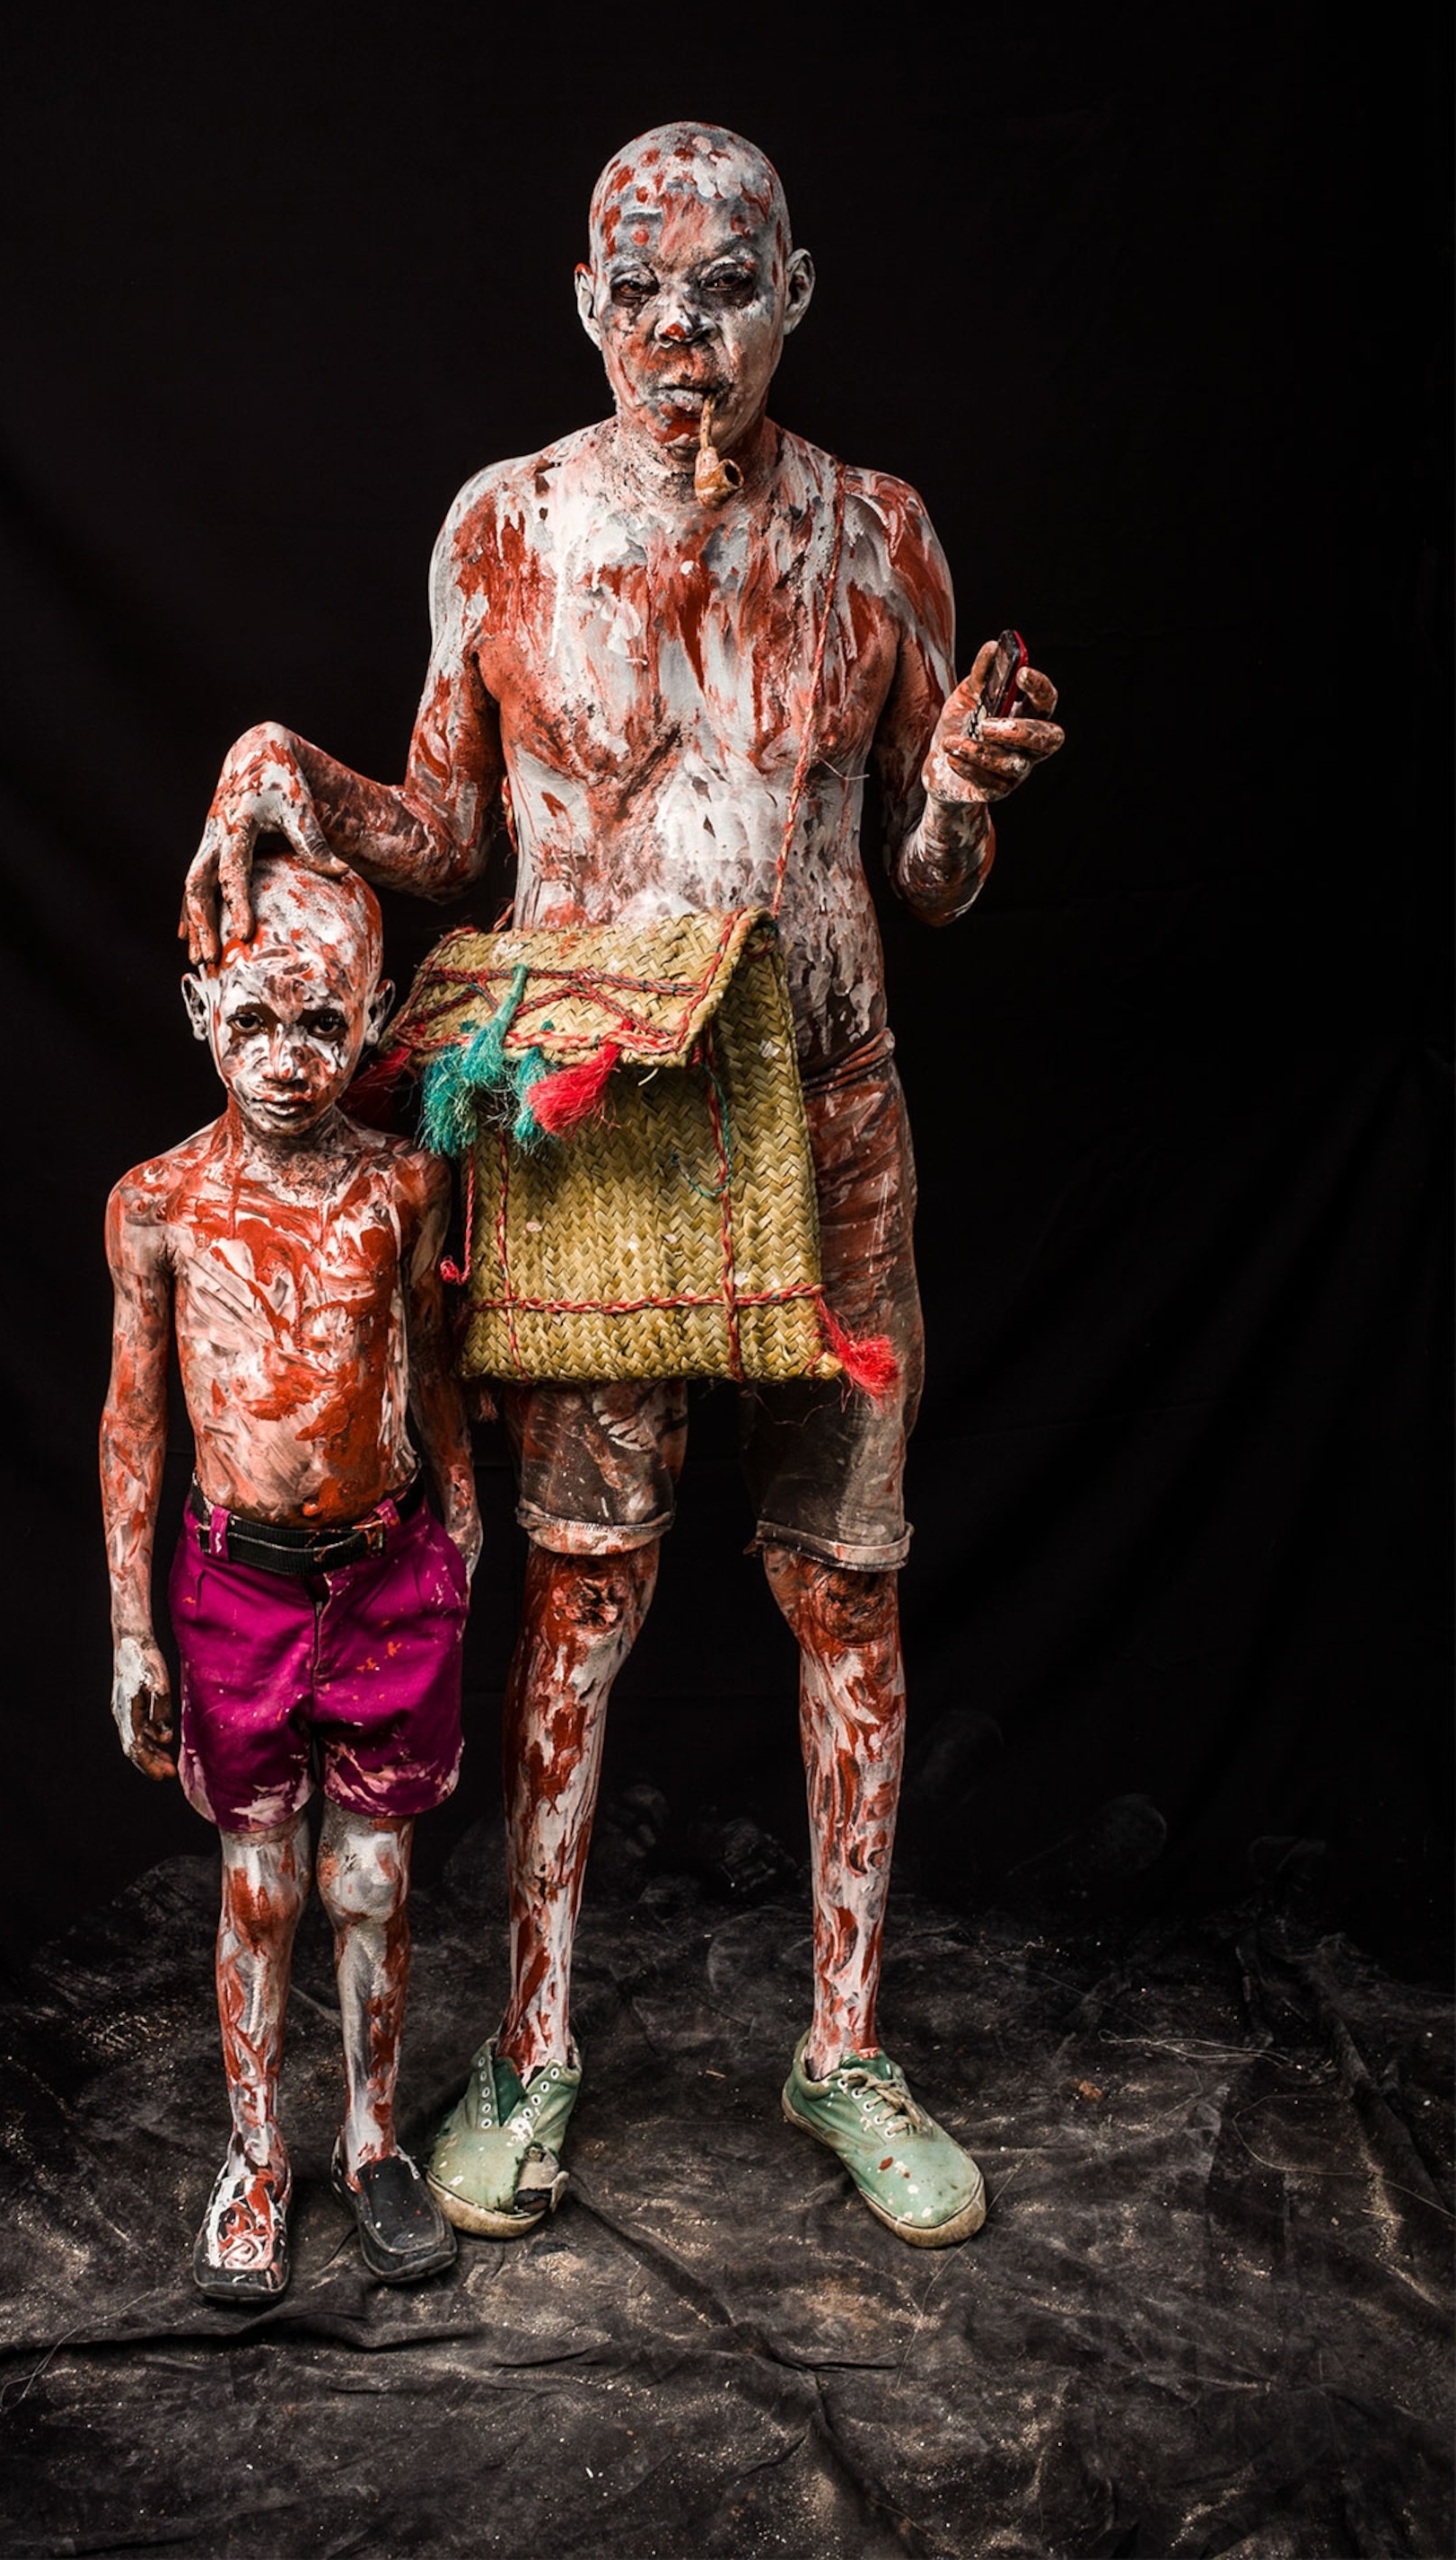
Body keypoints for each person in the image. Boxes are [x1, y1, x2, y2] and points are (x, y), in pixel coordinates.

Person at [180, 124, 1064, 2250]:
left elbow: (929, 885)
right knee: (579, 1586)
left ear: (796, 295)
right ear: (586, 305)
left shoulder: (876, 534)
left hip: (832, 1105)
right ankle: (540, 2041)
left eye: (730, 288)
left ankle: (846, 2041)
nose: (688, 331)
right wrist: (288, 765)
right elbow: (450, 836)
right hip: (596, 1114)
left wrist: (950, 796)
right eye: (644, 292)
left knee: (848, 1579)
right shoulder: (501, 535)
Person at [101, 854, 481, 2298]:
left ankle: (372, 2142)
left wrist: (458, 1513)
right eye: (253, 1021)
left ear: (372, 1018)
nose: (284, 1060)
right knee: (259, 1887)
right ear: (201, 1005)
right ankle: (258, 2154)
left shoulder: (404, 1184)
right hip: (235, 1589)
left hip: (384, 1577)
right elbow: (135, 1417)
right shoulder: (161, 1203)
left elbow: (429, 1366)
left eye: (320, 1026)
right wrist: (130, 1628)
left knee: (374, 1879)